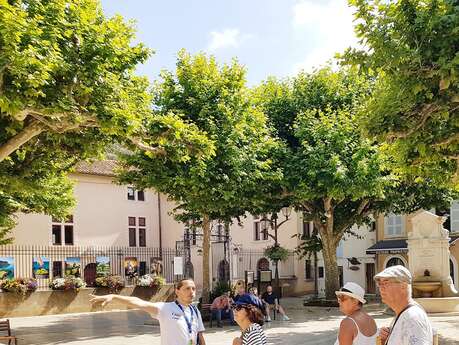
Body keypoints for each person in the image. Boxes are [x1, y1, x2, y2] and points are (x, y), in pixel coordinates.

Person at [89, 278, 206, 345]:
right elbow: (139, 302)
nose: (192, 292)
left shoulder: (195, 311)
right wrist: (114, 296)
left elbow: (200, 337)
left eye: (193, 289)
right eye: (187, 288)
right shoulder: (165, 308)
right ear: (177, 291)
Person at [375, 265, 433, 345]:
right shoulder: (404, 313)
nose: (381, 288)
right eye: (380, 284)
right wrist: (386, 340)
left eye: (385, 283)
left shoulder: (412, 318)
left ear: (403, 286)